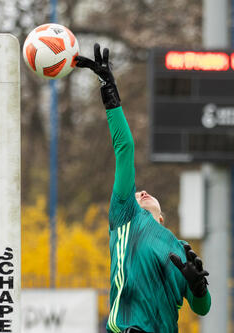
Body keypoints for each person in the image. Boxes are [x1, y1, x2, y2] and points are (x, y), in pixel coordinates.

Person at [75, 44, 211, 333]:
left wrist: (198, 287)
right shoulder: (126, 214)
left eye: (144, 194)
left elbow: (203, 308)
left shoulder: (180, 250)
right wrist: (109, 92)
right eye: (137, 194)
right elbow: (125, 148)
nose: (142, 193)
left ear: (162, 218)